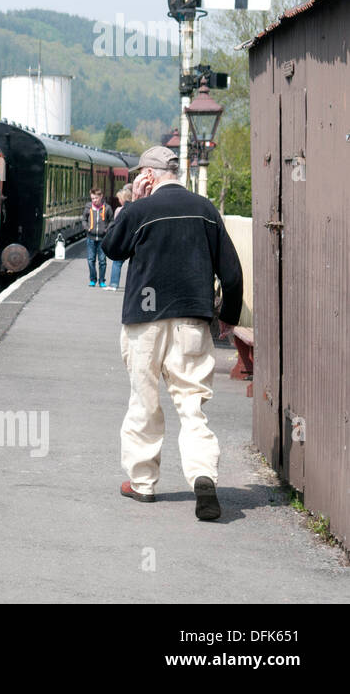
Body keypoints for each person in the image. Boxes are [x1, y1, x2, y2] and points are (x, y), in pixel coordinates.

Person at [101, 147, 244, 521]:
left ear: (148, 174)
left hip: (143, 322)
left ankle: (143, 483)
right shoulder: (206, 210)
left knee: (143, 401)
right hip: (192, 321)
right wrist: (227, 316)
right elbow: (231, 271)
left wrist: (133, 199)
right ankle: (202, 476)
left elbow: (112, 249)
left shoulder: (139, 210)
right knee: (192, 407)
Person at [82, 188, 113, 288]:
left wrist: (107, 229)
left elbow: (112, 221)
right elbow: (84, 220)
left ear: (101, 196)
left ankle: (102, 281)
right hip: (91, 237)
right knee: (91, 260)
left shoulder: (107, 208)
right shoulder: (88, 208)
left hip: (103, 239)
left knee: (102, 261)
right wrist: (87, 228)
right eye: (92, 198)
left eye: (96, 198)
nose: (94, 200)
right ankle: (92, 279)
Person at [107, 186, 131, 291]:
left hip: (122, 240)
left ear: (123, 199)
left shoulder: (119, 210)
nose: (118, 201)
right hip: (132, 239)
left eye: (119, 199)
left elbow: (116, 226)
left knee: (117, 262)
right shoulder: (135, 209)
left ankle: (113, 284)